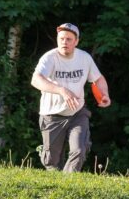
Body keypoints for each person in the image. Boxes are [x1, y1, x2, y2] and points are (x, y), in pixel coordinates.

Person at [31, 23, 111, 173]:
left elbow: (98, 79)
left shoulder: (84, 58)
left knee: (79, 150)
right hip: (52, 115)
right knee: (51, 162)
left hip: (77, 112)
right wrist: (61, 90)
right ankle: (57, 185)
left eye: (68, 39)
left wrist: (104, 94)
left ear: (76, 41)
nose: (64, 42)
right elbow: (36, 80)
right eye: (61, 38)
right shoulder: (49, 58)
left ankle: (69, 181)